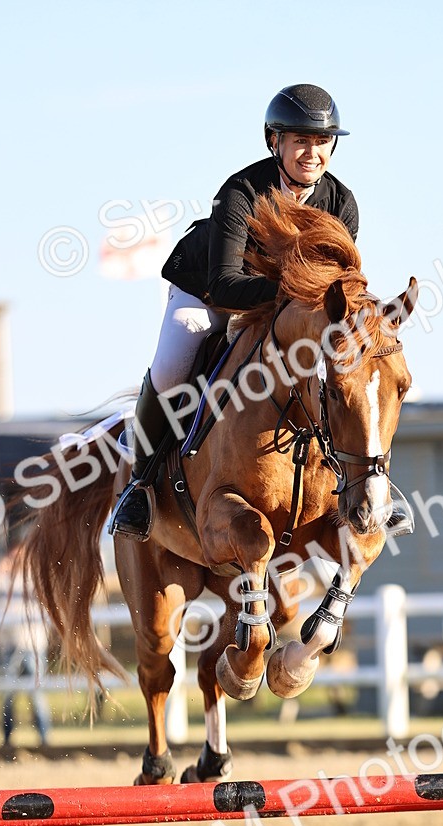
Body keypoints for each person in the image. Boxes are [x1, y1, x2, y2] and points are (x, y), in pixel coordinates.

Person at [109, 83, 357, 541]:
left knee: (350, 370)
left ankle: (366, 479)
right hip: (208, 294)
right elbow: (224, 283)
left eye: (322, 141)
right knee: (172, 367)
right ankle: (139, 484)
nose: (312, 152)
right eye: (301, 140)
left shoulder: (341, 203)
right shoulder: (241, 190)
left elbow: (337, 285)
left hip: (282, 308)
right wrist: (292, 293)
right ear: (275, 141)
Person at [0, 543, 52, 749]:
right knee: (7, 694)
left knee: (37, 693)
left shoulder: (35, 576)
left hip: (32, 644)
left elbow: (47, 598)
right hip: (7, 645)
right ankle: (7, 739)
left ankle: (45, 738)